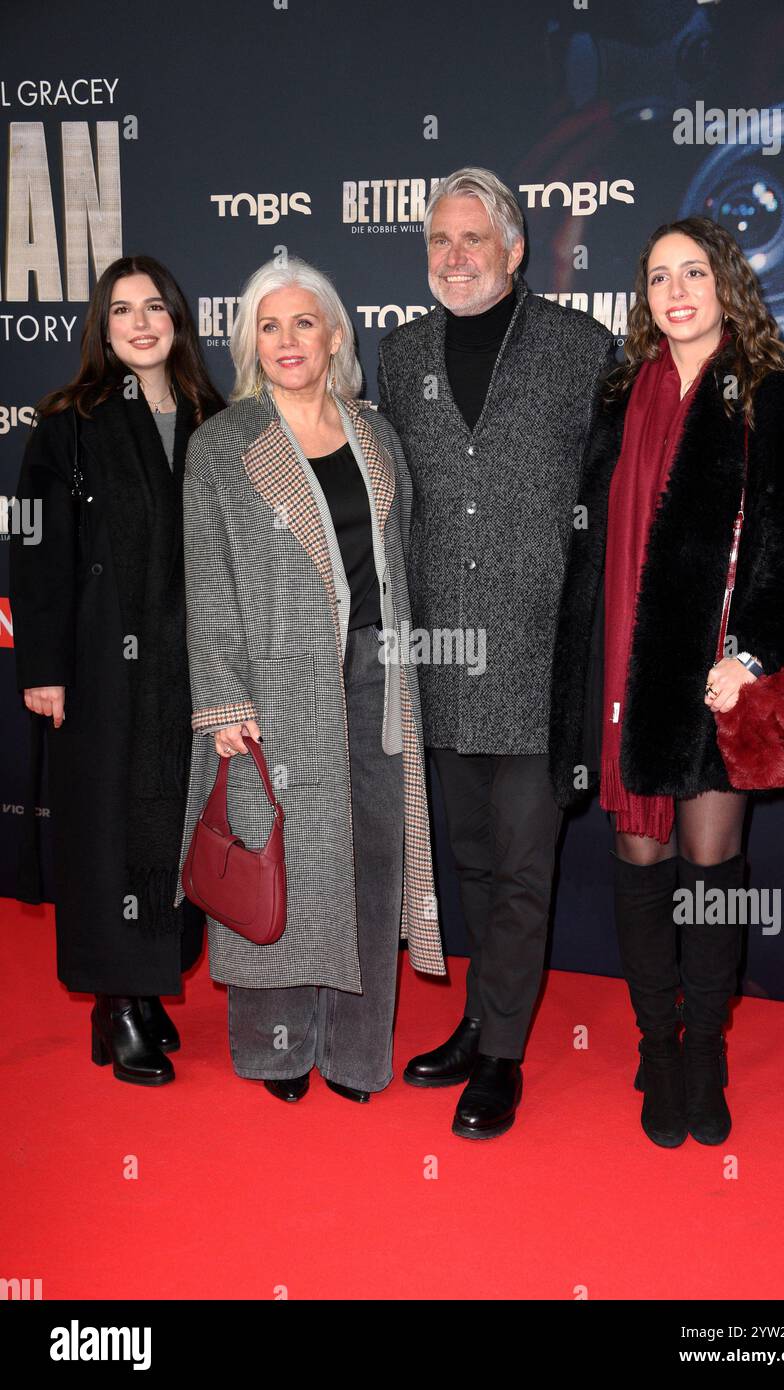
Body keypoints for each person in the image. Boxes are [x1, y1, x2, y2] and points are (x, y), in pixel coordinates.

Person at [549, 217, 784, 1147]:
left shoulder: (779, 403)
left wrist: (751, 656)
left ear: (727, 285)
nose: (675, 291)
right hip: (621, 675)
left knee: (710, 875)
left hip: (716, 685)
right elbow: (588, 546)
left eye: (693, 272)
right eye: (656, 277)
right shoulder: (618, 398)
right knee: (638, 865)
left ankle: (708, 1047)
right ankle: (656, 1045)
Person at [377, 167, 616, 1139]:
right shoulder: (400, 353)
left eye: (474, 239)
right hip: (436, 659)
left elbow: (614, 505)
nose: (456, 256)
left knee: (523, 863)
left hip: (535, 657)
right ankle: (481, 1018)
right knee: (470, 857)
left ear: (515, 249)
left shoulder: (581, 347)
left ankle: (504, 1055)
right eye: (440, 240)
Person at [176, 256, 445, 1105]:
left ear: (335, 337)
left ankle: (358, 1054)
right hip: (275, 682)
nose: (288, 341)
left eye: (303, 323)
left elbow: (398, 561)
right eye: (269, 325)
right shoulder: (224, 443)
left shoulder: (376, 432)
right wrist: (223, 701)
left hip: (375, 675)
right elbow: (208, 580)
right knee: (280, 866)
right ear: (250, 343)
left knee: (369, 861)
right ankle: (276, 1050)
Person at [9, 255, 224, 1085]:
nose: (140, 323)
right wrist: (45, 668)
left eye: (155, 307)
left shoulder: (213, 416)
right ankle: (119, 1001)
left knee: (170, 820)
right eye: (121, 310)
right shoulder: (70, 421)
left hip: (192, 666)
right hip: (100, 665)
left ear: (177, 318)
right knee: (106, 831)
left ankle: (146, 989)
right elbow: (37, 551)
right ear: (101, 328)